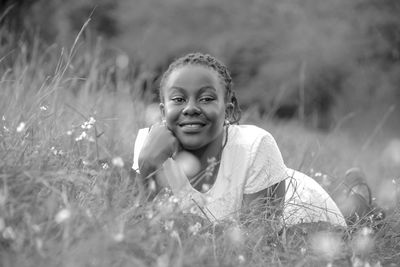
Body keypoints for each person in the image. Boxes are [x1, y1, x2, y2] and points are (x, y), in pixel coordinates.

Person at [132, 52, 347, 227]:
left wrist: (187, 226)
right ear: (163, 112)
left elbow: (255, 246)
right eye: (178, 99)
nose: (190, 108)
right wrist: (146, 166)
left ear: (227, 110)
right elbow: (146, 228)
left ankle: (356, 189)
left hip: (301, 214)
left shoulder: (256, 146)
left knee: (356, 215)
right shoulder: (149, 146)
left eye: (206, 98)